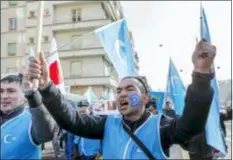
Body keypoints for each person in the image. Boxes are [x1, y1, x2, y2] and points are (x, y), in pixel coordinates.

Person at [27, 39, 216, 159]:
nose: (122, 94)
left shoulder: (162, 126)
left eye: (129, 89)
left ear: (144, 98)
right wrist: (46, 85)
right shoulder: (107, 124)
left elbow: (192, 125)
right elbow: (72, 121)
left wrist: (201, 74)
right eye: (118, 91)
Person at [0, 73, 55, 159]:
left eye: (11, 91)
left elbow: (47, 133)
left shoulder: (32, 120)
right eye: (1, 91)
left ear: (25, 96)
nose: (4, 96)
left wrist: (32, 95)